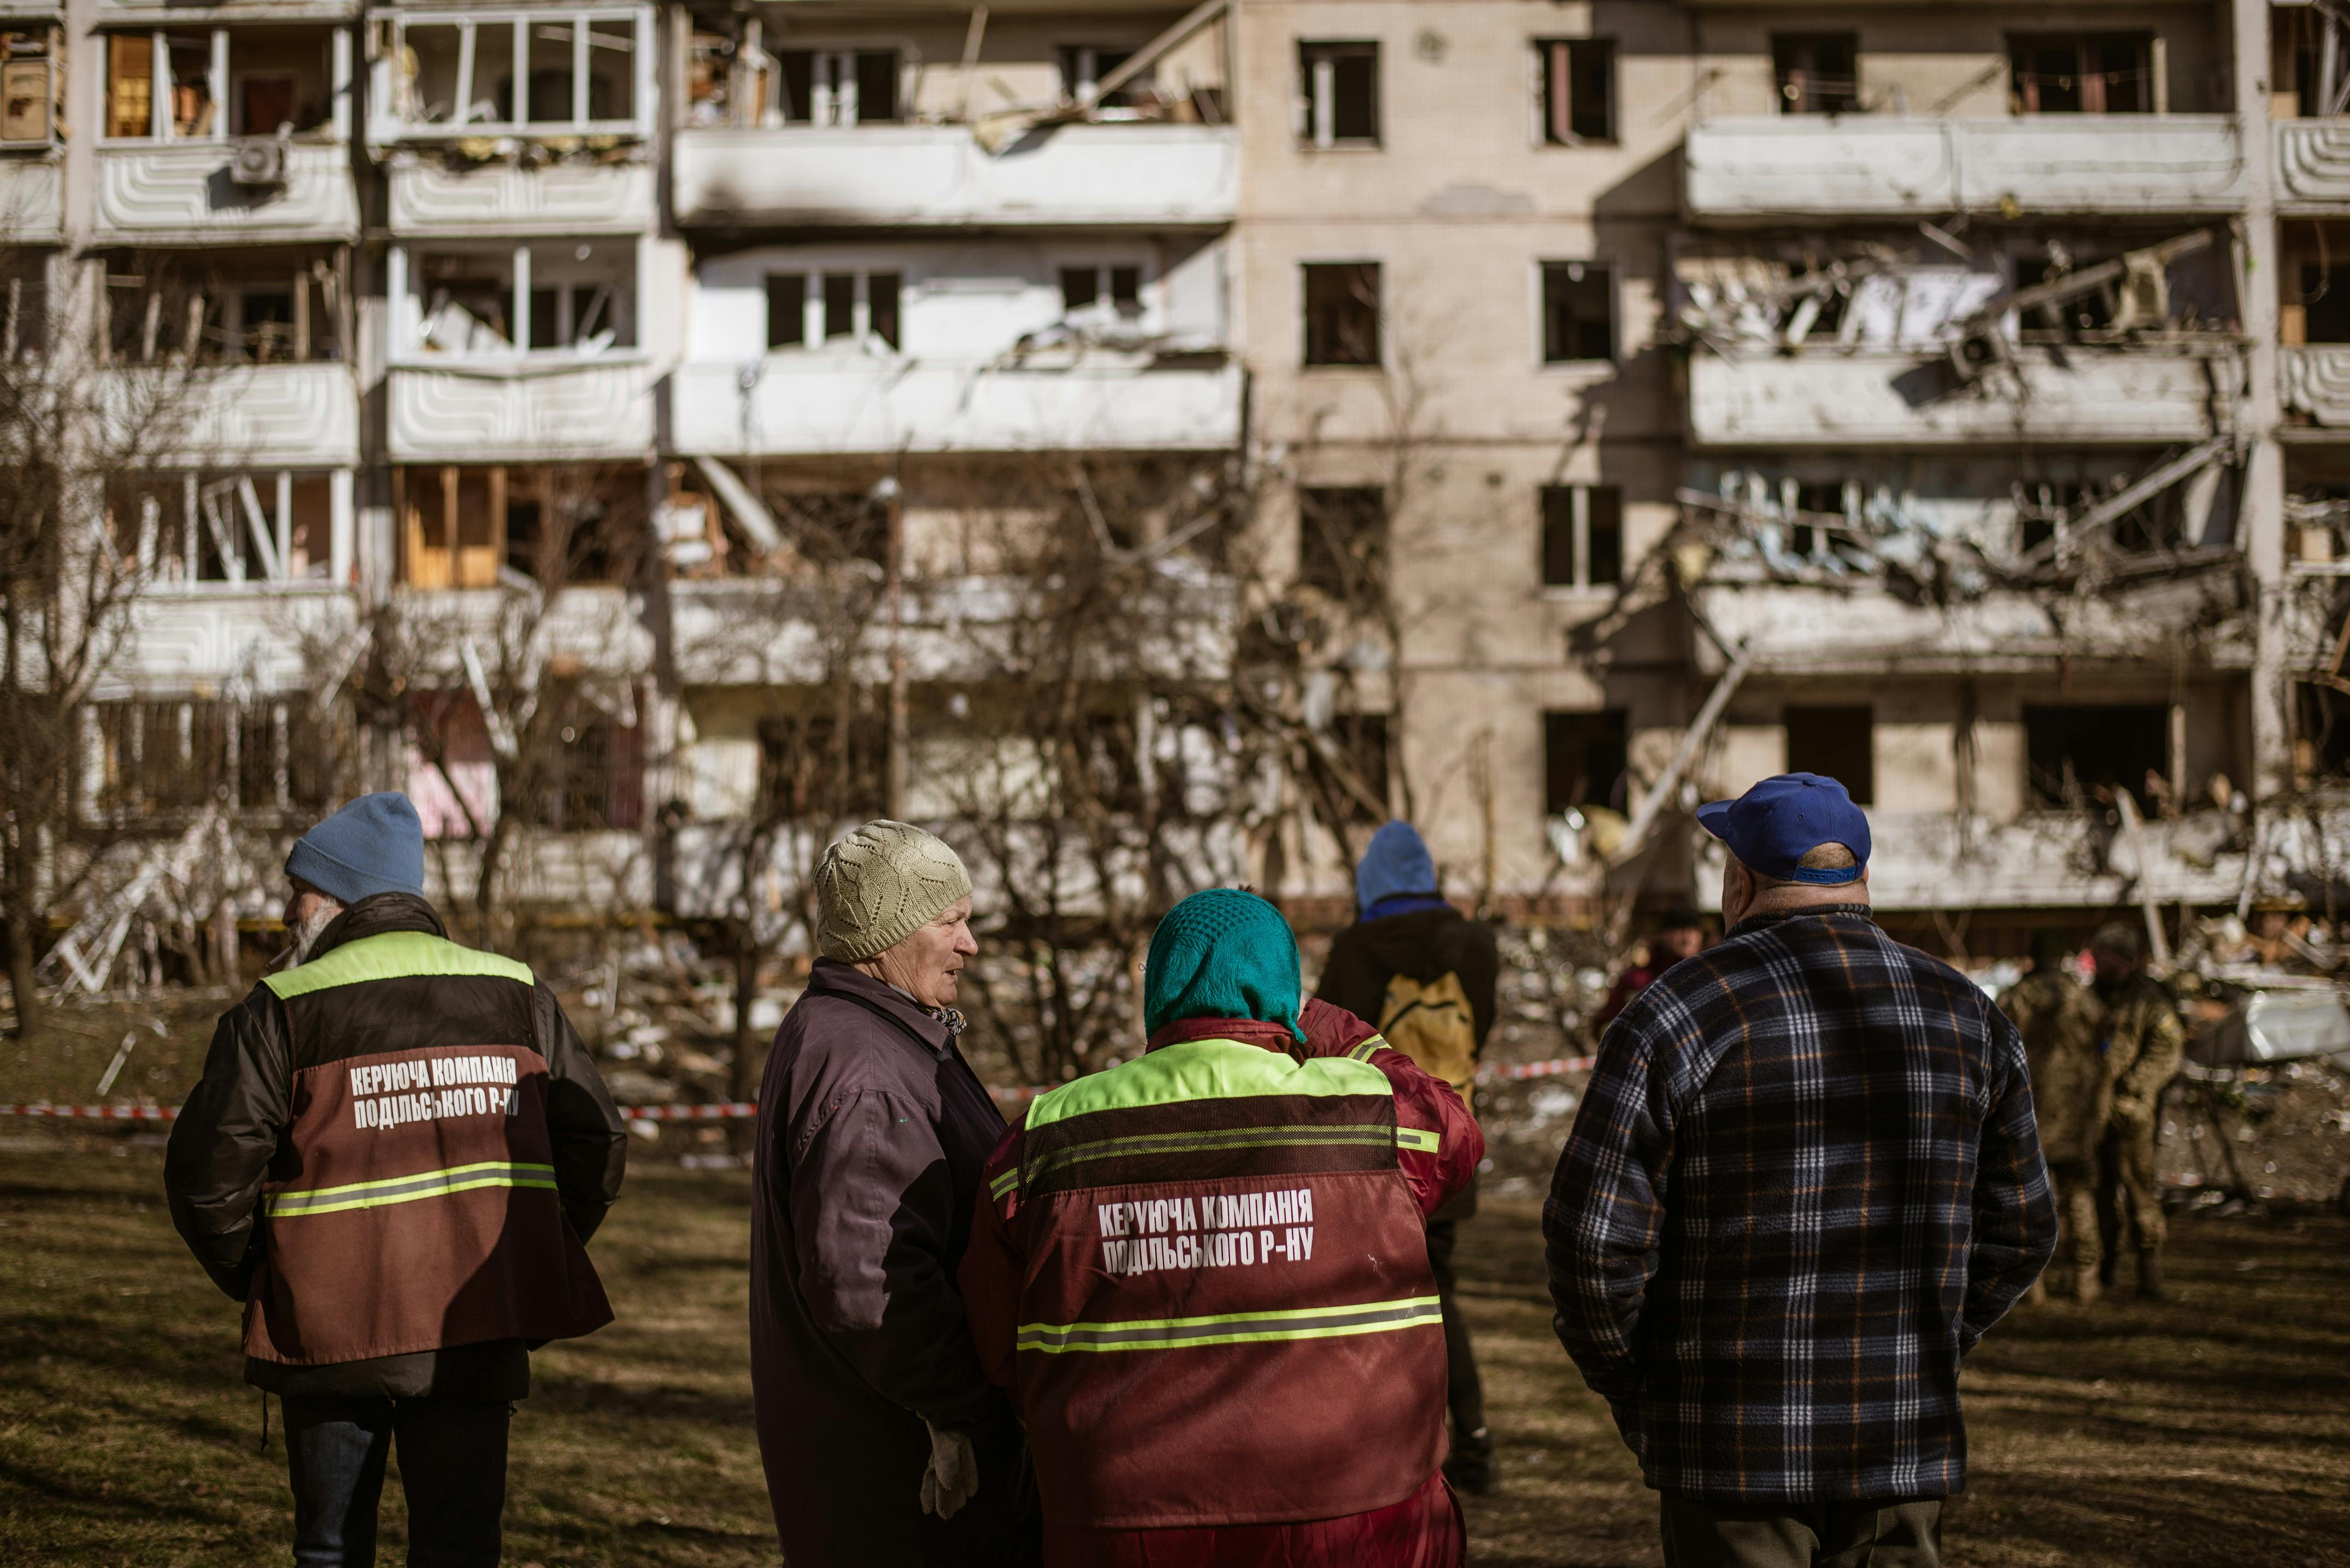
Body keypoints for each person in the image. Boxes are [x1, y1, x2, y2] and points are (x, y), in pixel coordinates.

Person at [1545, 773, 2054, 1568]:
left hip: (1730, 1443)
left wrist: (1641, 1383)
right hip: (1899, 1433)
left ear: (1740, 881)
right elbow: (2022, 1226)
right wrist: (1928, 1342)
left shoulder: (1675, 1014)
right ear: (1860, 875)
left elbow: (1592, 1242)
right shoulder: (1969, 1014)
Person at [165, 792, 627, 1568]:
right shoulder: (518, 994)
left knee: (329, 1548)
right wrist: (519, 1255)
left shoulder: (280, 1009)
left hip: (327, 1331)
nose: (287, 913)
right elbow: (598, 1144)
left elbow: (209, 1179)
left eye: (298, 891)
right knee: (460, 1546)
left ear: (340, 898)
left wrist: (272, 1277)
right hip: (474, 1329)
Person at [960, 888, 1483, 1566]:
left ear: (1158, 994)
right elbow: (1458, 1134)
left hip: (1119, 1518)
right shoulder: (1366, 1112)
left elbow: (999, 1346)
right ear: (1282, 994)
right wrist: (1324, 1021)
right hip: (1356, 1507)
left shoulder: (1041, 1138)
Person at [749, 820, 1041, 1567]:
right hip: (902, 1484)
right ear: (887, 936)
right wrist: (963, 1410)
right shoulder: (868, 1070)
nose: (969, 944)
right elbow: (866, 1281)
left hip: (871, 1463)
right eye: (952, 922)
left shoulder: (866, 1032)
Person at [1313, 819, 1502, 1494]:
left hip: (1372, 1150)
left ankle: (1388, 1443)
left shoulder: (1358, 947)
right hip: (1452, 1140)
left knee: (1368, 1296)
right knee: (1440, 1290)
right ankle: (1472, 1438)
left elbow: (1327, 1037)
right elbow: (1484, 1024)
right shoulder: (1476, 944)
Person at [2000, 929, 2111, 1301]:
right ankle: (2086, 1277)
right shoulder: (2082, 998)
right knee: (2080, 1196)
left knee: (2032, 1203)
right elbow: (2104, 1043)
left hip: (2028, 1117)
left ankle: (2035, 1287)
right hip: (2077, 1118)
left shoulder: (2018, 998)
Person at [2086, 922, 2187, 1301]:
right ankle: (2104, 1268)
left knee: (2139, 1191)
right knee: (2099, 1193)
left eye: (2109, 957)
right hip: (2093, 1114)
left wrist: (2135, 1088)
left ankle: (2149, 1270)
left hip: (2132, 1115)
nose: (2102, 964)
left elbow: (2167, 1048)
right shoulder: (2090, 997)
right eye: (2099, 957)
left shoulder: (2149, 1000)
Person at [1593, 906, 1707, 1029]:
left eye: (1694, 930)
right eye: (1680, 929)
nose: (1687, 938)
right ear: (1662, 934)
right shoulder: (1637, 981)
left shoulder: (1708, 977)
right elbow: (1606, 1023)